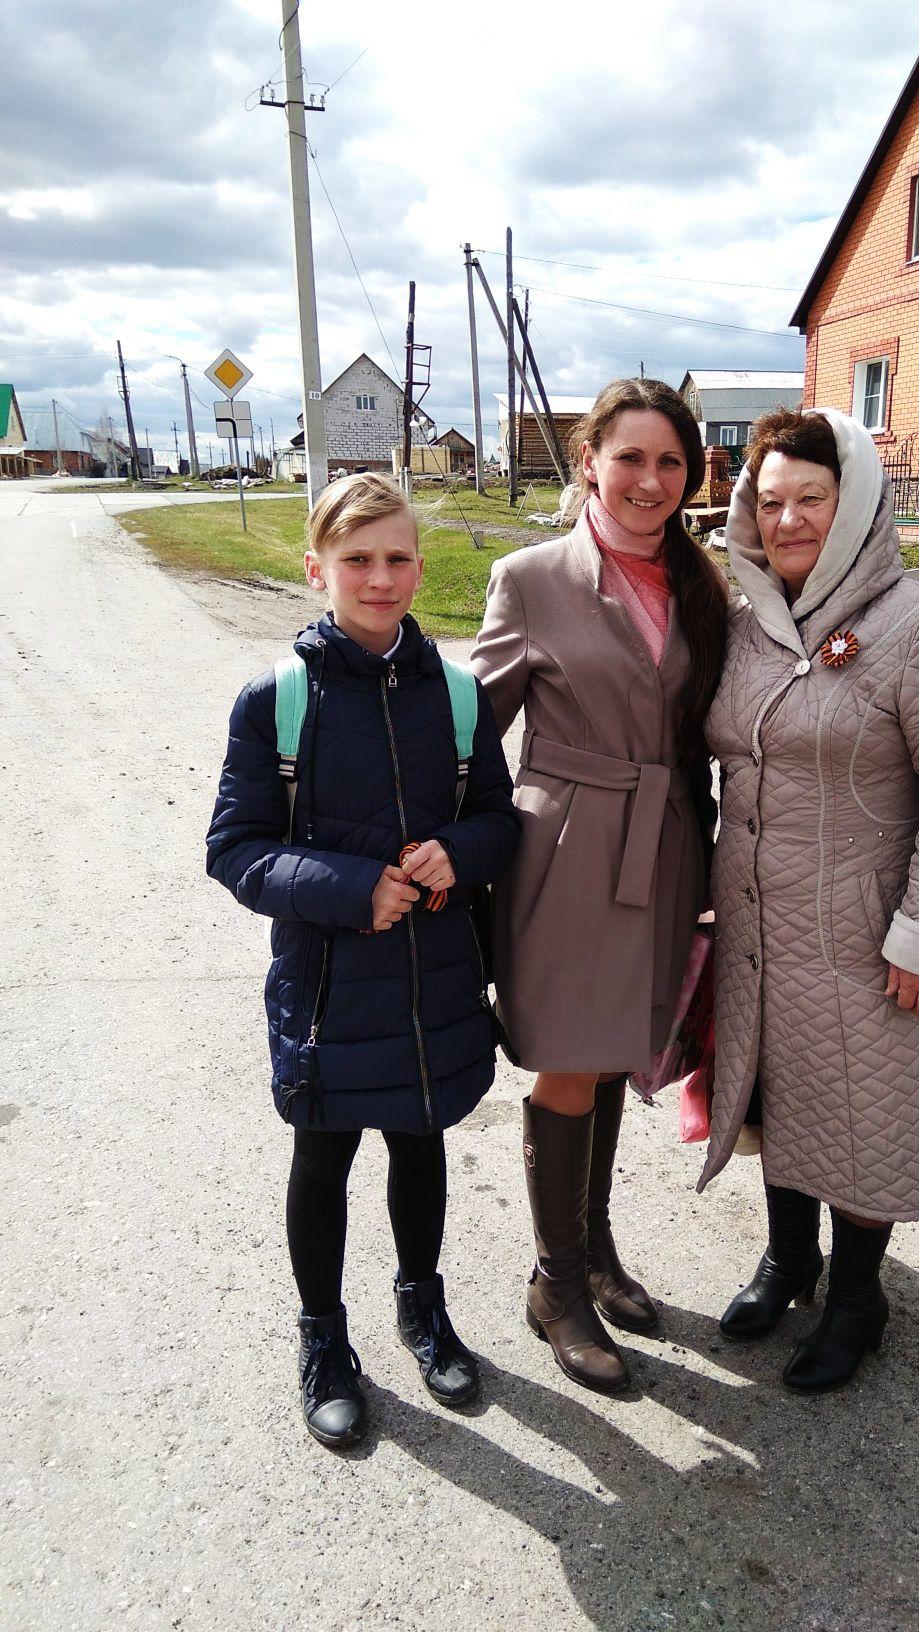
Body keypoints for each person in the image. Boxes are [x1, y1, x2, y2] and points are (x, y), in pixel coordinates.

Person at [207, 473, 519, 1447]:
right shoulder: (279, 701)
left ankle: (423, 1306)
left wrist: (458, 853)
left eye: (396, 558)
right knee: (324, 1156)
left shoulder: (459, 697)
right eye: (356, 560)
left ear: (421, 567)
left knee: (420, 1146)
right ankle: (323, 1337)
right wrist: (352, 888)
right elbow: (236, 850)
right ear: (317, 570)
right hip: (329, 993)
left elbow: (499, 820)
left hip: (435, 985)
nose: (378, 578)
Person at [699, 407, 919, 1392]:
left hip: (867, 933)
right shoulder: (748, 626)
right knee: (778, 1096)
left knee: (868, 1114)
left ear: (859, 503)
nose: (787, 520)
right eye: (769, 501)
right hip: (760, 927)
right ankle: (789, 1259)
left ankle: (858, 1298)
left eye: (811, 499)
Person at [470, 378, 727, 1394]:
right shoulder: (529, 578)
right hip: (568, 846)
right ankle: (556, 1285)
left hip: (665, 845)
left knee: (619, 1050)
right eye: (630, 458)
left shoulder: (702, 585)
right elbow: (470, 734)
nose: (649, 480)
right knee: (570, 1059)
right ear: (589, 463)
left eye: (670, 462)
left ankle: (596, 1250)